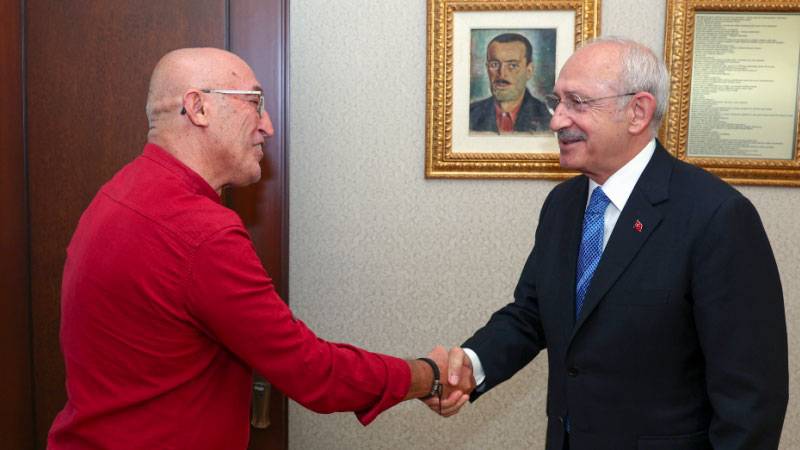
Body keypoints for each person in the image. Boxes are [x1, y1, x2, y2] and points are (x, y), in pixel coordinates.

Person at [47, 48, 472, 450]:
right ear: (198, 108)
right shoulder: (201, 232)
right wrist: (429, 375)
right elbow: (312, 372)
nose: (268, 125)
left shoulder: (117, 192)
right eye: (255, 102)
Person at [432, 37, 789, 449]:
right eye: (557, 101)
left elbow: (751, 400)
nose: (556, 120)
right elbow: (532, 313)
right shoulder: (562, 204)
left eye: (577, 102)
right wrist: (470, 364)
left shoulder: (716, 216)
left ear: (638, 112)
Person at [469, 33, 552, 134]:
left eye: (512, 65)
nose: (502, 74)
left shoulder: (548, 118)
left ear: (529, 71)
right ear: (487, 68)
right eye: (494, 64)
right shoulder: (470, 114)